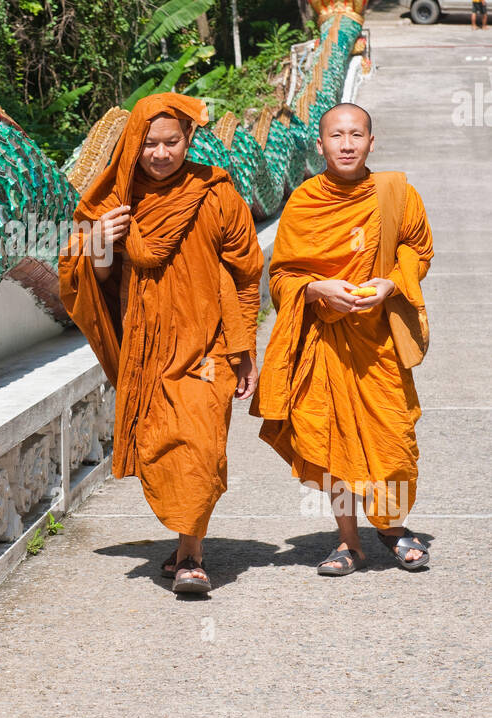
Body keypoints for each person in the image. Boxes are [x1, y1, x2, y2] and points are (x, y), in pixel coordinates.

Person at [58, 92, 263, 594]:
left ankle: (192, 556)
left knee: (201, 445)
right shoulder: (115, 202)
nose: (161, 153)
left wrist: (243, 350)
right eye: (149, 143)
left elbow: (247, 272)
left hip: (209, 344)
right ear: (134, 144)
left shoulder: (215, 192)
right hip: (148, 350)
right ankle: (184, 539)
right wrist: (102, 239)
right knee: (164, 447)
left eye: (172, 141)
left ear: (188, 140)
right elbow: (89, 281)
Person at [250, 102, 434, 575]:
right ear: (320, 145)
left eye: (356, 135)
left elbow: (418, 248)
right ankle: (348, 541)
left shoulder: (396, 193)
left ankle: (392, 528)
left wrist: (391, 284)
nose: (347, 144)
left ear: (372, 141)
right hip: (324, 342)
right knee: (330, 443)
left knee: (393, 438)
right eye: (336, 136)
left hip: (379, 343)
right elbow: (283, 275)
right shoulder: (305, 200)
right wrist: (315, 289)